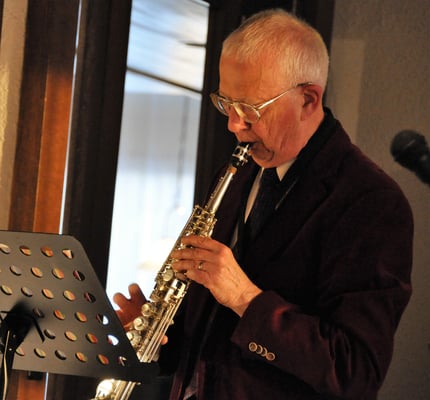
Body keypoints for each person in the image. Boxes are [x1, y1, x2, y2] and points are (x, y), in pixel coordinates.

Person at [114, 9, 413, 400]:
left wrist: (245, 298)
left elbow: (354, 372)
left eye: (251, 109)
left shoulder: (371, 201)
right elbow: (212, 340)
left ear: (308, 100)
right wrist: (156, 334)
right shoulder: (239, 171)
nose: (234, 125)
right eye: (226, 104)